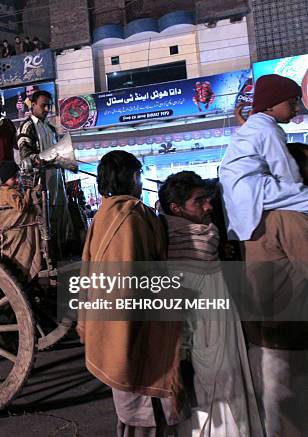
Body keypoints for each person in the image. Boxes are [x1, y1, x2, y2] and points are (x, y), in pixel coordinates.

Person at [219, 74, 308, 436]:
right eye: (292, 102)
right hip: (287, 327)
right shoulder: (270, 131)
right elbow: (286, 174)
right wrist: (298, 185)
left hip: (265, 325)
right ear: (274, 105)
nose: (297, 108)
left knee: (276, 394)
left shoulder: (256, 126)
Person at [77, 151, 188, 436]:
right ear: (132, 177)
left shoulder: (107, 212)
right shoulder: (130, 217)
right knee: (144, 407)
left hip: (112, 324)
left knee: (131, 405)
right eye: (139, 175)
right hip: (133, 326)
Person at [158, 171, 264, 437]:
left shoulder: (208, 238)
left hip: (221, 342)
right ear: (176, 209)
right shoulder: (177, 250)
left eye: (208, 199)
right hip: (205, 350)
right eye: (199, 201)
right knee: (215, 408)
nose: (209, 207)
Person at [18, 90, 74, 256]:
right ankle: (48, 255)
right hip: (39, 182)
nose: (47, 109)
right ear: (33, 105)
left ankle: (63, 251)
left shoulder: (51, 128)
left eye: (49, 106)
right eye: (43, 105)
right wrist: (41, 159)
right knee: (44, 217)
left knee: (60, 213)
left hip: (56, 179)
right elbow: (25, 155)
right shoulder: (27, 126)